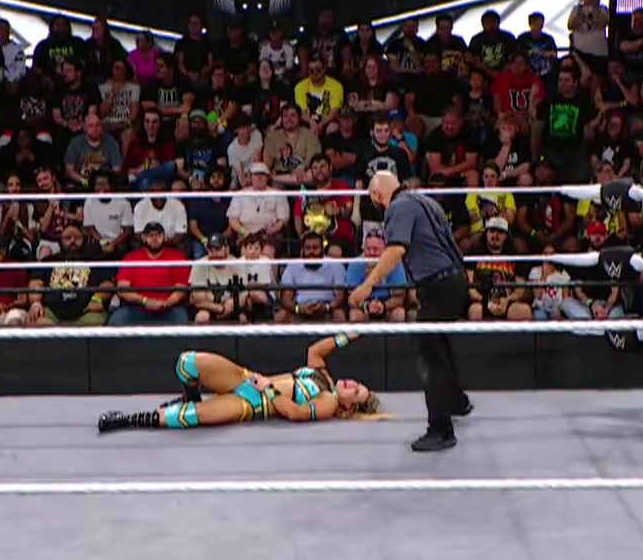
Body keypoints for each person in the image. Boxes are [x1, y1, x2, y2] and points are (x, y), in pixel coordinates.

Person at [352, 168, 471, 452]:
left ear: (376, 193)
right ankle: (456, 401)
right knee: (440, 344)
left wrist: (367, 285)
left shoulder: (398, 207)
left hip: (439, 283)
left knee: (431, 354)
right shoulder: (423, 200)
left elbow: (396, 250)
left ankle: (441, 429)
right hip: (453, 280)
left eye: (373, 198)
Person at [97, 334, 381, 432]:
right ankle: (190, 395)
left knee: (190, 417)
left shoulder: (329, 402)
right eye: (358, 383)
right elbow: (315, 351)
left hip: (253, 402)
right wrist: (350, 335)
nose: (352, 383)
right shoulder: (324, 377)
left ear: (348, 407)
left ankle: (126, 420)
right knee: (187, 362)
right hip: (248, 379)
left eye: (355, 391)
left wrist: (269, 389)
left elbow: (295, 413)